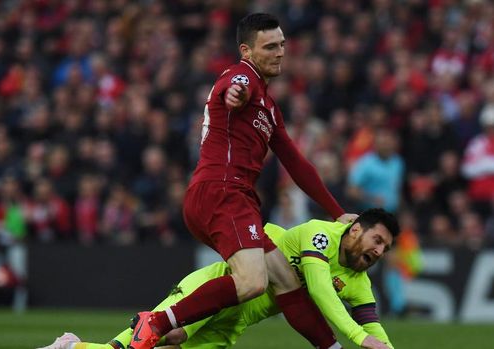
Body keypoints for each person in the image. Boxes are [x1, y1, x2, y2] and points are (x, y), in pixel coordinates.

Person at [129, 13, 357, 349]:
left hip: (230, 197)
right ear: (247, 51)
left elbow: (296, 163)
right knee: (252, 282)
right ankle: (157, 322)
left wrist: (337, 212)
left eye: (282, 45)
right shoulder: (241, 75)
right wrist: (235, 94)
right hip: (223, 191)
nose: (280, 52)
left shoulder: (270, 107)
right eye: (270, 46)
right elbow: (234, 88)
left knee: (285, 281)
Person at [39, 209, 398, 349]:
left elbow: (375, 326)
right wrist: (356, 339)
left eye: (385, 247)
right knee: (152, 341)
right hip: (217, 290)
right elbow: (319, 289)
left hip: (234, 325)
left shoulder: (359, 282)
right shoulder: (321, 234)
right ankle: (70, 347)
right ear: (354, 230)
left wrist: (381, 344)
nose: (379, 251)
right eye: (377, 239)